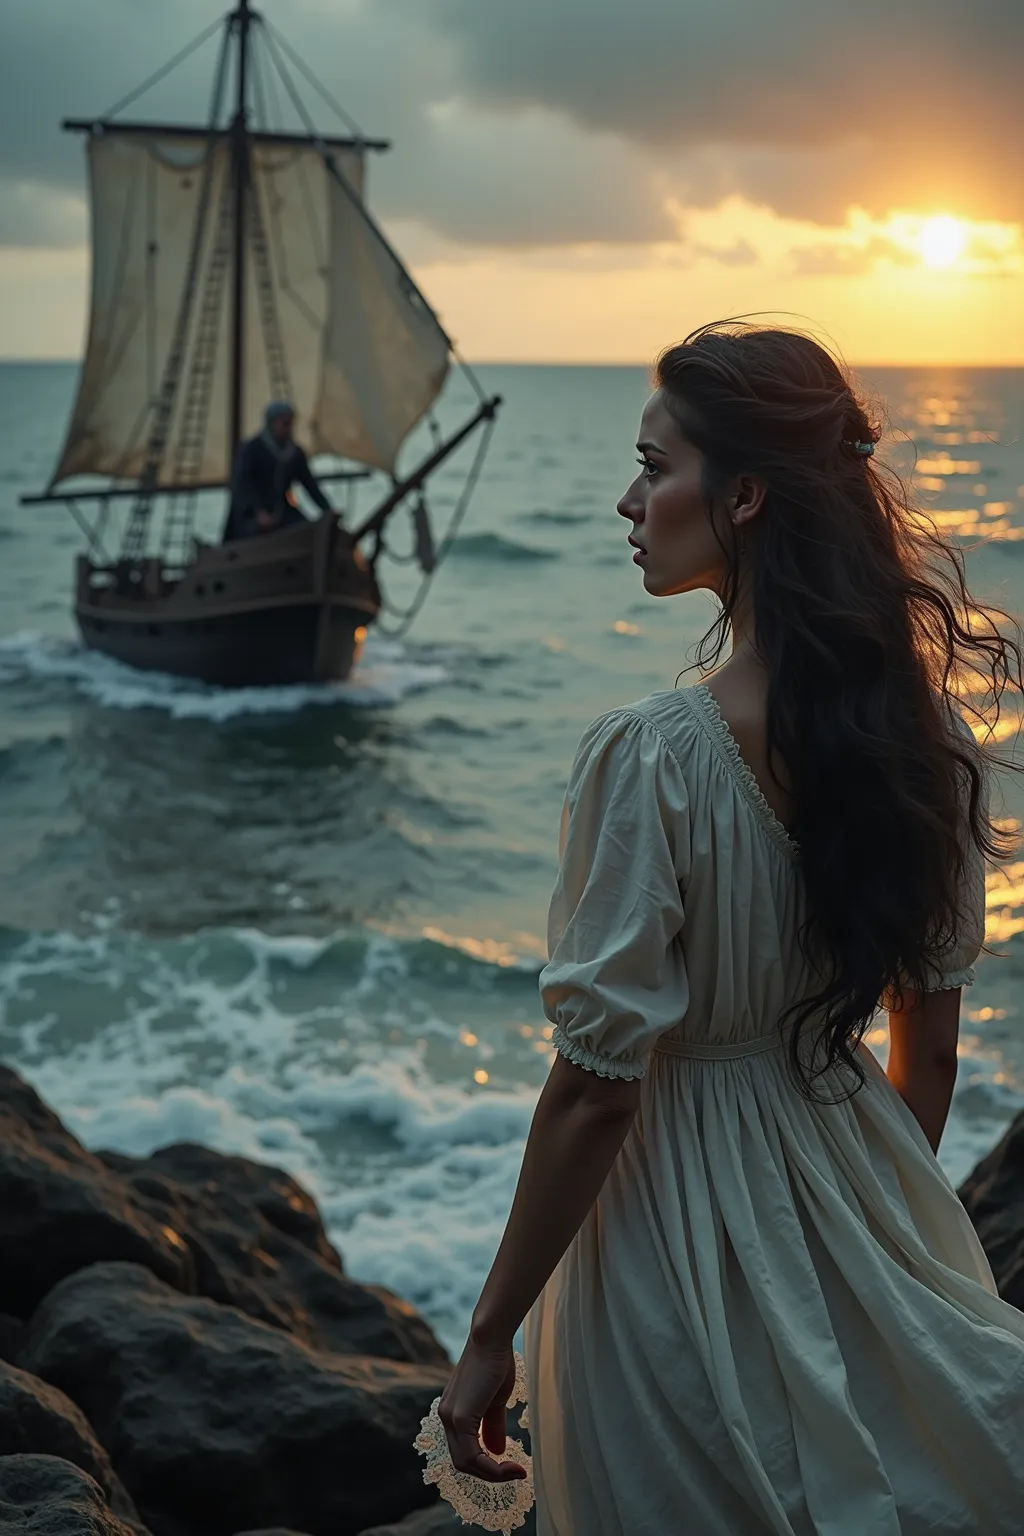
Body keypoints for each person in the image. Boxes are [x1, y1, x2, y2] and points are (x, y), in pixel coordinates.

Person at [437, 322, 1024, 1534]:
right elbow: (931, 1054)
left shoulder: (653, 757)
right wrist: (854, 1233)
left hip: (667, 1229)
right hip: (850, 1173)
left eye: (654, 467)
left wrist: (488, 1337)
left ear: (745, 494)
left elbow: (599, 1090)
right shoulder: (920, 743)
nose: (627, 499)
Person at [223, 400, 336, 541]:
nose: (288, 428)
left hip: (281, 511)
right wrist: (259, 513)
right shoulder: (251, 450)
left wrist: (327, 510)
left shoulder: (295, 454)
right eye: (284, 424)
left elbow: (309, 485)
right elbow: (242, 485)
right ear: (272, 424)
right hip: (249, 514)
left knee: (306, 531)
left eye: (290, 424)